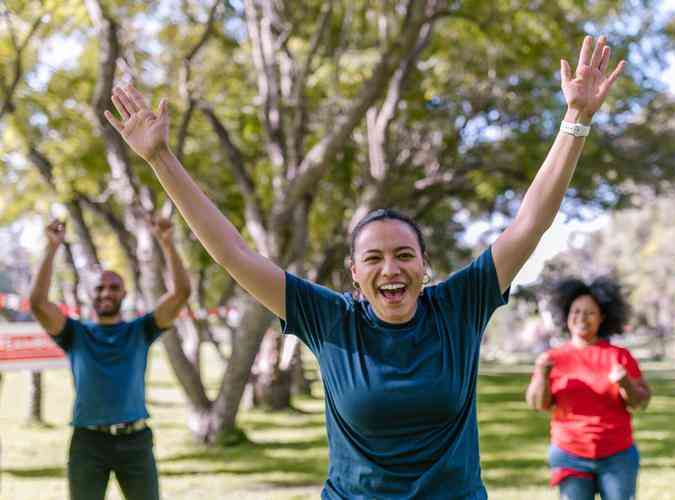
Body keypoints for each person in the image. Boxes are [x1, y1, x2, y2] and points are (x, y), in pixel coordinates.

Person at [105, 35, 625, 499]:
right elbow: (232, 253)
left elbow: (528, 224)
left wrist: (574, 121)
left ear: (425, 265)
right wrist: (161, 161)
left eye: (403, 254)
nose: (390, 268)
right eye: (373, 258)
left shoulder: (459, 306)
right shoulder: (330, 319)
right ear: (354, 272)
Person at [29, 217, 191, 500]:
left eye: (114, 287)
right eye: (100, 288)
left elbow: (181, 294)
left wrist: (167, 243)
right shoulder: (75, 334)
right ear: (92, 294)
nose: (106, 292)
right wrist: (52, 247)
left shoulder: (140, 330)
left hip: (135, 442)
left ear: (123, 295)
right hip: (87, 442)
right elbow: (38, 303)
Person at [525, 278, 651, 499]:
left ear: (602, 317)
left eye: (590, 312)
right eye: (576, 312)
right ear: (567, 315)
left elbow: (641, 402)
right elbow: (538, 404)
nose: (582, 318)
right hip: (569, 453)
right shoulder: (552, 359)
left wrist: (625, 383)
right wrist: (543, 376)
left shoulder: (619, 356)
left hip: (617, 454)